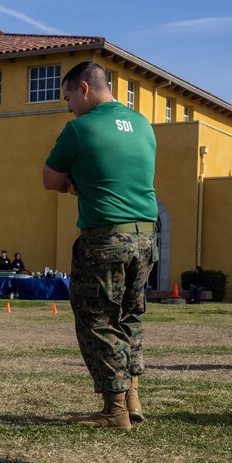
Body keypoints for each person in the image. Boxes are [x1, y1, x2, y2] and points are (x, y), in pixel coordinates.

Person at [42, 61, 158, 429]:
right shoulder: (142, 124)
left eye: (69, 98)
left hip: (106, 237)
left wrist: (73, 182)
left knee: (96, 319)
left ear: (84, 89)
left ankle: (114, 409)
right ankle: (133, 395)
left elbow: (49, 179)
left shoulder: (79, 128)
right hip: (147, 235)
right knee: (129, 315)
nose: (69, 107)